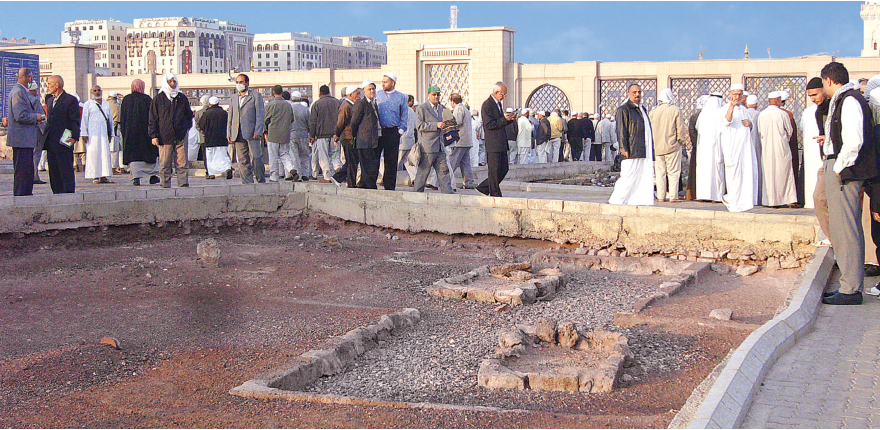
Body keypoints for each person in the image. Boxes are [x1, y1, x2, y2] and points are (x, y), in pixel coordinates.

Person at [820, 62, 878, 305]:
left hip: (844, 172)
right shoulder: (846, 98)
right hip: (840, 168)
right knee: (845, 229)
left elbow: (854, 141)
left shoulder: (850, 100)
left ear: (830, 80)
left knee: (847, 230)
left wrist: (839, 168)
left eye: (823, 83)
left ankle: (851, 289)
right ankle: (849, 285)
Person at [609, 83, 654, 206]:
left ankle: (636, 200)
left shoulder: (642, 109)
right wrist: (623, 148)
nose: (637, 94)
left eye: (639, 92)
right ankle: (616, 201)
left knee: (641, 176)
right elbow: (621, 130)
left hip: (642, 149)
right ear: (629, 94)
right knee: (628, 176)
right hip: (631, 149)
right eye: (634, 92)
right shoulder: (623, 109)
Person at [718, 83, 759, 212]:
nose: (737, 96)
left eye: (739, 94)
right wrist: (732, 106)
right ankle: (731, 199)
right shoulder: (725, 108)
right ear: (730, 94)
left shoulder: (744, 109)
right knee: (733, 175)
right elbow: (726, 121)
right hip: (732, 148)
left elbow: (749, 126)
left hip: (744, 148)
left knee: (745, 173)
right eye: (734, 94)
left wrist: (750, 124)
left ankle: (742, 202)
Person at [148, 72, 192, 188]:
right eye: (170, 81)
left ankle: (183, 183)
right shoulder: (158, 99)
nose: (172, 84)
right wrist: (154, 135)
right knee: (165, 163)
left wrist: (185, 127)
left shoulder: (181, 98)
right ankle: (165, 184)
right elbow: (153, 118)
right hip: (164, 136)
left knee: (182, 162)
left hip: (180, 135)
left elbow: (188, 115)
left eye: (174, 81)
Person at [7, 68, 45, 196]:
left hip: (25, 140)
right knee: (22, 172)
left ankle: (25, 195)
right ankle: (21, 197)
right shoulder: (18, 92)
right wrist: (36, 117)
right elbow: (20, 115)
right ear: (28, 78)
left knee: (27, 171)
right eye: (31, 78)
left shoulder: (21, 92)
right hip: (21, 139)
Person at [474, 82, 515, 197]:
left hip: (501, 142)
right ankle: (495, 193)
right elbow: (489, 124)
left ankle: (484, 187)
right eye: (503, 95)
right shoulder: (487, 105)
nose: (504, 97)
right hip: (493, 143)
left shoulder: (498, 104)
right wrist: (504, 119)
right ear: (496, 92)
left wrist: (509, 119)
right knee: (494, 170)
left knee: (503, 169)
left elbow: (499, 122)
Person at [757, 91, 797, 207]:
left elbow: (760, 132)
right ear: (776, 100)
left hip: (767, 149)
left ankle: (770, 201)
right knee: (783, 173)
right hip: (781, 147)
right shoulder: (783, 114)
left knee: (769, 174)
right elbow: (789, 131)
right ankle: (787, 200)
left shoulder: (762, 114)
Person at [41, 75, 80, 193]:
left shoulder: (70, 100)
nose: (47, 87)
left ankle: (68, 192)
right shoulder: (50, 100)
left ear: (56, 85)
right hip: (51, 140)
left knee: (65, 167)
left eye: (49, 84)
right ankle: (56, 191)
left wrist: (74, 136)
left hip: (64, 139)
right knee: (53, 169)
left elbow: (74, 120)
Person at [650, 88, 688, 202]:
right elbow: (680, 128)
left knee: (660, 173)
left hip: (657, 147)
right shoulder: (675, 110)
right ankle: (673, 196)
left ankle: (661, 197)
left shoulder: (653, 112)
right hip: (672, 146)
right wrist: (681, 140)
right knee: (673, 172)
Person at [413, 85, 453, 194]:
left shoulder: (440, 108)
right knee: (423, 173)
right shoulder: (422, 108)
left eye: (438, 95)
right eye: (434, 95)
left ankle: (449, 195)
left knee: (444, 172)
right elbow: (419, 126)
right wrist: (436, 125)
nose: (436, 97)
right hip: (427, 147)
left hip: (439, 146)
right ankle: (416, 195)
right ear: (428, 95)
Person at [226, 74, 265, 183]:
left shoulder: (255, 96)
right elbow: (230, 116)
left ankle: (260, 179)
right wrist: (229, 132)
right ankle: (247, 182)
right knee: (242, 160)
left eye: (241, 82)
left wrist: (258, 131)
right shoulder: (233, 97)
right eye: (237, 82)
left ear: (247, 83)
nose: (239, 84)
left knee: (256, 157)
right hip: (237, 133)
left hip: (252, 132)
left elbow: (260, 115)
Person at [120, 78, 160, 186]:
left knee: (134, 157)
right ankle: (153, 176)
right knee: (149, 155)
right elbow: (154, 117)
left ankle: (136, 178)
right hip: (145, 134)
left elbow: (122, 118)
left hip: (131, 134)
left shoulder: (126, 100)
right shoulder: (147, 99)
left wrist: (124, 132)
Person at [375, 72, 408, 191]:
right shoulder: (377, 95)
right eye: (382, 82)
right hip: (379, 131)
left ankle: (389, 187)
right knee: (375, 159)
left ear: (392, 83)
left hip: (393, 132)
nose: (383, 84)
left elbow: (404, 115)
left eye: (385, 82)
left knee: (391, 161)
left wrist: (400, 131)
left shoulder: (401, 97)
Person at [350, 79, 381, 189]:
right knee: (367, 166)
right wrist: (355, 135)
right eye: (369, 89)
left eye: (373, 89)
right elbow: (354, 123)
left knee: (372, 165)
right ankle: (370, 187)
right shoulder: (361, 104)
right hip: (364, 140)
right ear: (364, 91)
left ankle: (363, 185)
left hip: (373, 140)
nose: (372, 91)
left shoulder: (373, 103)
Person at [263, 85, 298, 182]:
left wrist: (264, 132)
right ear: (282, 92)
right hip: (285, 134)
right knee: (285, 154)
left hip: (273, 134)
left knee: (273, 156)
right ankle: (291, 169)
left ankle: (274, 177)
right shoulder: (288, 105)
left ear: (273, 92)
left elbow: (265, 120)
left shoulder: (270, 105)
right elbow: (291, 119)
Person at [81, 85, 114, 184]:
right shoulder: (88, 104)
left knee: (104, 154)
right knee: (93, 154)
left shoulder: (106, 104)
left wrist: (111, 133)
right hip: (92, 134)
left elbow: (110, 120)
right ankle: (95, 176)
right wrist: (84, 133)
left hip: (103, 133)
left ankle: (104, 176)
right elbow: (84, 119)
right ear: (92, 92)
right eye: (95, 90)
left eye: (99, 90)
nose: (97, 92)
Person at [695, 93, 725, 201]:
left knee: (704, 171)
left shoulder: (703, 114)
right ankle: (715, 196)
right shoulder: (719, 114)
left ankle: (703, 195)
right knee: (715, 171)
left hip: (704, 150)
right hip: (715, 148)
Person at [308, 84, 340, 183]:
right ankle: (338, 168)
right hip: (335, 134)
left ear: (320, 94)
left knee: (324, 157)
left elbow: (313, 121)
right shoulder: (337, 102)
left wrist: (312, 136)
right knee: (335, 154)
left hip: (322, 135)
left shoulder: (317, 104)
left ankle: (327, 177)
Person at [198, 96, 232, 181]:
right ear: (218, 103)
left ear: (209, 104)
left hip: (210, 139)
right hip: (222, 138)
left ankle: (211, 174)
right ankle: (228, 168)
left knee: (210, 157)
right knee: (223, 155)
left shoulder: (206, 113)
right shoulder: (224, 113)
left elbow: (201, 125)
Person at [333, 85, 360, 188]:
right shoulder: (346, 106)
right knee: (351, 161)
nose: (358, 95)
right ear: (350, 95)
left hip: (351, 137)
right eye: (356, 93)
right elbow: (341, 122)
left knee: (352, 161)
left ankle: (349, 182)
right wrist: (337, 134)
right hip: (347, 137)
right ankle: (338, 178)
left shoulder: (353, 105)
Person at [449, 93, 475, 189]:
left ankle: (446, 181)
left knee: (452, 162)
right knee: (465, 163)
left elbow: (457, 122)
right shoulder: (466, 109)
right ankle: (468, 182)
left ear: (452, 101)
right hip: (467, 140)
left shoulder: (458, 109)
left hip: (460, 140)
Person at [685, 95, 707, 200]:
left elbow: (691, 132)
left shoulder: (696, 115)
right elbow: (692, 131)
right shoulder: (697, 116)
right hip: (700, 147)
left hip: (697, 147)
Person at [289, 91, 311, 181]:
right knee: (305, 155)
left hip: (292, 135)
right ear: (300, 98)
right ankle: (305, 174)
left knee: (295, 156)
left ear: (291, 98)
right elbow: (309, 123)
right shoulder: (305, 109)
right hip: (304, 134)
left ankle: (297, 174)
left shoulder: (289, 109)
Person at [106, 91, 125, 175]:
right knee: (117, 149)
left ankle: (115, 167)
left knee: (113, 149)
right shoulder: (117, 106)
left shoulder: (105, 104)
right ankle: (118, 167)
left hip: (109, 128)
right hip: (115, 127)